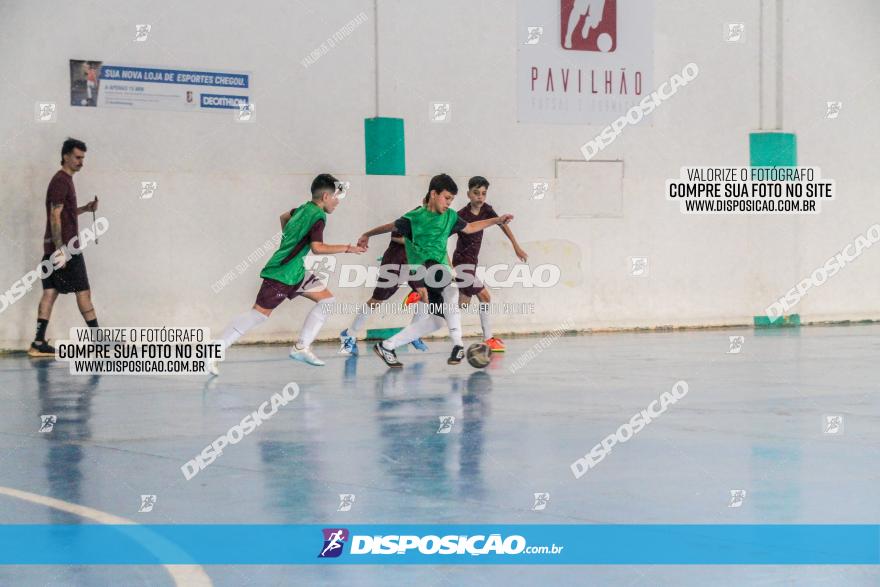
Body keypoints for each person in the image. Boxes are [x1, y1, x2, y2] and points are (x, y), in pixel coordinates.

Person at [208, 174, 365, 375]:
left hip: (296, 271)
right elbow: (317, 248)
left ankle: (301, 348)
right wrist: (348, 248)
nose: (338, 202)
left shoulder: (302, 209)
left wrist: (290, 241)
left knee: (327, 300)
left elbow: (283, 217)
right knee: (258, 315)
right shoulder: (318, 216)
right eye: (336, 197)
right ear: (326, 196)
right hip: (282, 272)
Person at [369, 174, 513, 368]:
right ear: (433, 194)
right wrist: (367, 235)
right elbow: (392, 226)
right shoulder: (416, 217)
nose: (448, 203)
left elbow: (470, 228)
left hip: (437, 268)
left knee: (437, 322)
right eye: (446, 198)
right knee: (452, 290)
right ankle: (458, 345)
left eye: (452, 199)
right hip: (422, 269)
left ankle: (387, 346)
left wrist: (496, 220)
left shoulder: (451, 216)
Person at [29, 138, 99, 357]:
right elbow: (55, 214)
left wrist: (85, 209)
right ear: (66, 156)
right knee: (84, 292)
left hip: (52, 249)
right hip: (66, 249)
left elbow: (65, 212)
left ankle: (38, 343)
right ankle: (99, 342)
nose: (81, 162)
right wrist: (61, 249)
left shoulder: (64, 181)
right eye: (78, 157)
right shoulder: (61, 181)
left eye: (83, 158)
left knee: (49, 293)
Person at [339, 203, 431, 356]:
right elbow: (395, 236)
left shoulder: (439, 220)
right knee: (377, 300)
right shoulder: (413, 216)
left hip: (414, 263)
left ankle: (413, 333)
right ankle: (349, 334)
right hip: (396, 261)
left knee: (426, 295)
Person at [453, 176, 528, 352]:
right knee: (485, 297)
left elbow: (502, 224)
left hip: (472, 263)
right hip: (461, 264)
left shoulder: (487, 210)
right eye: (476, 193)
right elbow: (443, 235)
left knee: (461, 305)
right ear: (468, 194)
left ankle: (428, 312)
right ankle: (488, 338)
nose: (480, 197)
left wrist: (516, 246)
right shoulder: (460, 216)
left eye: (483, 194)